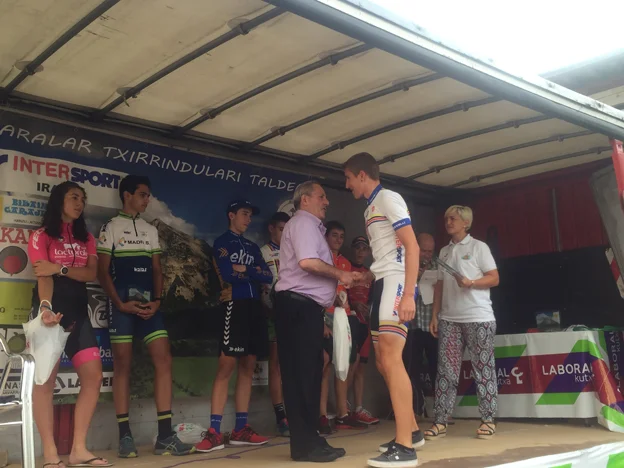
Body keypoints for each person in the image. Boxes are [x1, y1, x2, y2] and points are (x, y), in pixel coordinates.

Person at [97, 175, 195, 457]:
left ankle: (165, 435)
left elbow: (157, 270)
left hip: (149, 307)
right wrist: (119, 303)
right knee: (123, 365)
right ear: (127, 195)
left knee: (164, 359)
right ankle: (125, 436)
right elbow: (102, 272)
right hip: (121, 306)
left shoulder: (150, 230)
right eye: (142, 194)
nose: (147, 199)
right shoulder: (110, 227)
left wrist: (157, 301)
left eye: (149, 195)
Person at [344, 152, 422, 468]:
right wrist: (368, 275)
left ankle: (405, 447)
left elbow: (412, 246)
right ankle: (411, 431)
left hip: (397, 283)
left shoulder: (389, 198)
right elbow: (389, 252)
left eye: (348, 178)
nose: (347, 184)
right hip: (383, 282)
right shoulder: (371, 207)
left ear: (362, 175)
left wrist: (409, 295)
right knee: (381, 361)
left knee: (391, 358)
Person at [27, 181, 111, 468]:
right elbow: (43, 274)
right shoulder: (41, 235)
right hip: (49, 314)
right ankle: (50, 454)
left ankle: (78, 450)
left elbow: (90, 273)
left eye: (82, 199)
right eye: (74, 197)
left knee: (94, 377)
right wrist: (45, 308)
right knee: (45, 382)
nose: (79, 203)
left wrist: (59, 268)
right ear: (59, 200)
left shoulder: (86, 237)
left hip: (78, 315)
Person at [274, 181, 358, 462]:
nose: (327, 202)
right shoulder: (303, 223)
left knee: (310, 374)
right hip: (297, 307)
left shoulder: (310, 227)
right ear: (305, 199)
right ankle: (304, 445)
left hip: (306, 308)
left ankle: (311, 438)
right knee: (300, 376)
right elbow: (308, 263)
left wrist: (332, 295)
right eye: (321, 196)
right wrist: (340, 275)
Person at [196, 200, 273, 452]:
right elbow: (228, 274)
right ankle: (214, 432)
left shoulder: (252, 246)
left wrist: (246, 269)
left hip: (254, 307)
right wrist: (252, 272)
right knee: (226, 364)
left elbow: (268, 275)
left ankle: (241, 428)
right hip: (234, 305)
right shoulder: (222, 242)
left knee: (248, 366)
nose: (248, 219)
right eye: (244, 214)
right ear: (231, 215)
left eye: (250, 215)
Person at [426, 206, 500, 441]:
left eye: (453, 218)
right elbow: (439, 285)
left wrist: (472, 283)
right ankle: (440, 420)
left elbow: (494, 278)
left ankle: (488, 419)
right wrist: (435, 315)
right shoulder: (444, 251)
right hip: (449, 319)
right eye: (446, 218)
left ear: (466, 223)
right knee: (445, 371)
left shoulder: (479, 247)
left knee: (483, 368)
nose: (448, 222)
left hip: (478, 317)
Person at [319, 221, 366, 433]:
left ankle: (342, 414)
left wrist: (347, 306)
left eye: (341, 236)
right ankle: (321, 415)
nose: (338, 239)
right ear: (325, 237)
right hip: (324, 314)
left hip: (342, 317)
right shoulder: (320, 259)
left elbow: (347, 291)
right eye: (334, 235)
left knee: (344, 364)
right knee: (325, 363)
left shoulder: (345, 262)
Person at [260, 211, 291, 437]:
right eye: (281, 229)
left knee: (295, 364)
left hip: (293, 312)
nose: (284, 234)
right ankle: (281, 417)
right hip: (272, 312)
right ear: (271, 228)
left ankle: (297, 412)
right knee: (277, 364)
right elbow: (261, 285)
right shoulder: (262, 252)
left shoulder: (294, 252)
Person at [404, 233, 438, 418]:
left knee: (437, 367)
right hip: (413, 324)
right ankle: (415, 409)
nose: (427, 255)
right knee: (412, 368)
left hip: (432, 324)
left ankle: (441, 411)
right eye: (424, 251)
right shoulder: (406, 264)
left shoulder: (437, 266)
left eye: (430, 251)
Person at [347, 236, 379, 425]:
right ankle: (344, 407)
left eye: (364, 248)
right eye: (357, 247)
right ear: (352, 249)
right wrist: (354, 305)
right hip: (349, 321)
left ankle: (358, 408)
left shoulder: (369, 274)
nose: (360, 251)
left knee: (361, 367)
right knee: (349, 365)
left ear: (368, 252)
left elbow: (373, 298)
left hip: (365, 323)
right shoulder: (345, 268)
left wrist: (369, 311)